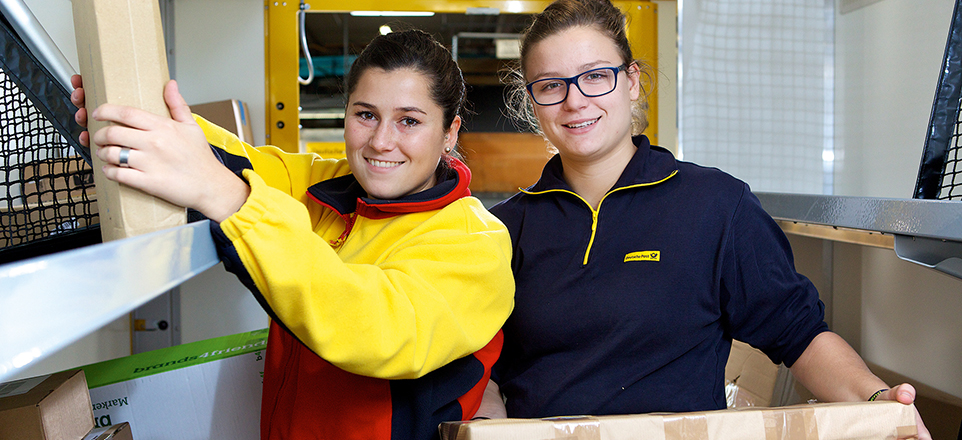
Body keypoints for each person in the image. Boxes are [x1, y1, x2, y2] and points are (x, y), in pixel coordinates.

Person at [480, 0, 930, 437]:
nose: (575, 101)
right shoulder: (502, 229)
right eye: (551, 84)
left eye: (596, 76)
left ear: (632, 81)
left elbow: (801, 335)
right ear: (532, 100)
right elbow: (483, 373)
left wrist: (879, 404)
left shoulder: (715, 204)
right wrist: (485, 426)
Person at [71, 29, 514, 440]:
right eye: (366, 115)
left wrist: (228, 199)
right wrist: (138, 118)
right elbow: (237, 161)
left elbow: (378, 328)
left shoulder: (475, 241)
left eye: (409, 121)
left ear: (449, 133)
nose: (381, 141)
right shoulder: (328, 187)